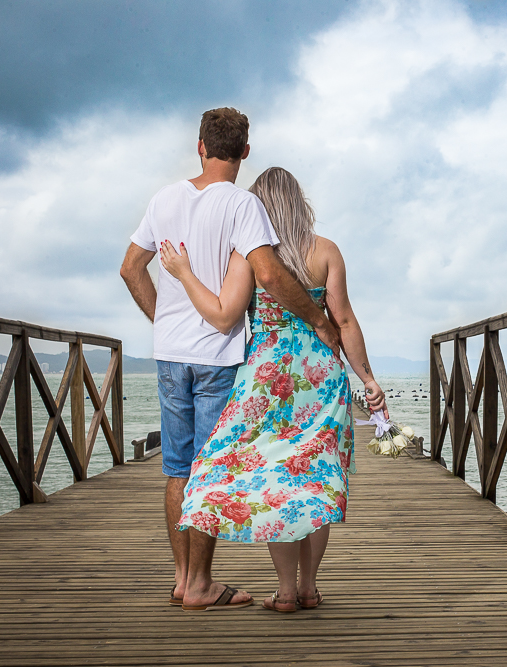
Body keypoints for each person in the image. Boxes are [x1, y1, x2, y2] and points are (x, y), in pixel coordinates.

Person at [120, 109, 341, 612]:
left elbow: (131, 267)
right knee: (211, 468)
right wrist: (318, 320)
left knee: (177, 468)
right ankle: (200, 583)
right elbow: (270, 277)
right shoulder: (243, 204)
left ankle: (183, 580)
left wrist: (165, 322)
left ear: (199, 146)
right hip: (218, 356)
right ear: (244, 151)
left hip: (170, 356)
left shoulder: (164, 199)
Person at [158, 166, 386, 613]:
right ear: (300, 202)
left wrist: (184, 274)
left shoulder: (249, 255)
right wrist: (368, 378)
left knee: (277, 481)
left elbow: (224, 314)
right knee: (316, 480)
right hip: (320, 379)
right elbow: (344, 320)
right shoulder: (326, 251)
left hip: (265, 379)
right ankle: (308, 588)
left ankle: (283, 591)